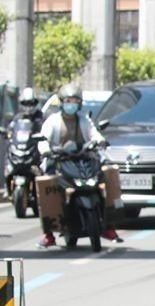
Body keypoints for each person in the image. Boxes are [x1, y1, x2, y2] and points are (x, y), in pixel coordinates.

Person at [36, 83, 123, 248]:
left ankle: (109, 226)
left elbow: (93, 133)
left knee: (109, 174)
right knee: (47, 183)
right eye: (68, 100)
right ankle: (49, 233)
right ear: (61, 102)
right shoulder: (53, 121)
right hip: (60, 160)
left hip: (83, 159)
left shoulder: (84, 120)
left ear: (80, 103)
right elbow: (43, 140)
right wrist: (47, 151)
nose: (71, 104)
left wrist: (100, 141)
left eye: (74, 101)